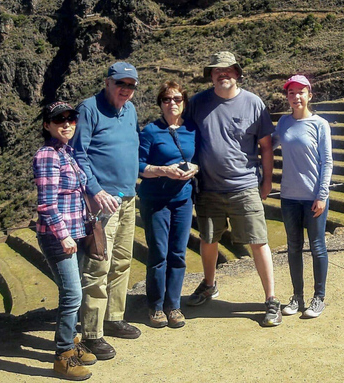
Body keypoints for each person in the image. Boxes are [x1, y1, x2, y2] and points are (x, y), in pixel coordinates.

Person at [185, 51, 280, 327]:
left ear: (237, 73)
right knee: (208, 239)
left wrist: (266, 181)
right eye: (216, 70)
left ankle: (271, 299)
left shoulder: (253, 103)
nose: (222, 74)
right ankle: (209, 284)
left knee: (258, 241)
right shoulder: (198, 103)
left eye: (227, 70)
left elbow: (265, 147)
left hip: (245, 185)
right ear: (211, 75)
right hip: (209, 188)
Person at [72, 62, 141, 360]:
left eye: (130, 85)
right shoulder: (88, 109)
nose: (125, 90)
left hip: (128, 197)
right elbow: (78, 153)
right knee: (98, 264)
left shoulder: (131, 109)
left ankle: (113, 317)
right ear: (107, 82)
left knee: (123, 261)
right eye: (120, 84)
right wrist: (96, 190)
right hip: (101, 203)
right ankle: (91, 333)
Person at [34, 101, 95, 380]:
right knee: (72, 295)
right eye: (59, 120)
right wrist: (64, 235)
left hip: (76, 234)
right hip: (60, 237)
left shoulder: (66, 152)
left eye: (71, 118)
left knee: (75, 292)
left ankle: (71, 343)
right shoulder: (48, 155)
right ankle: (63, 357)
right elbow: (46, 205)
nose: (67, 124)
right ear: (47, 125)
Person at [138, 80, 199, 328]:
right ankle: (155, 306)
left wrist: (193, 168)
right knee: (158, 254)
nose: (172, 103)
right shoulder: (150, 131)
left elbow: (199, 158)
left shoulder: (192, 129)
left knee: (178, 253)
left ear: (183, 102)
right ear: (160, 104)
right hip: (155, 200)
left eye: (176, 99)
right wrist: (163, 170)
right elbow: (139, 166)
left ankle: (173, 306)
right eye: (166, 99)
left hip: (182, 199)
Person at [273, 75, 333, 319]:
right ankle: (297, 297)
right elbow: (269, 145)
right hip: (288, 196)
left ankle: (318, 298)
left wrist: (322, 195)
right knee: (293, 247)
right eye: (291, 93)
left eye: (300, 92)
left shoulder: (320, 124)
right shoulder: (284, 123)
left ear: (309, 94)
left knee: (317, 246)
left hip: (313, 197)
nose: (296, 97)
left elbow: (327, 162)